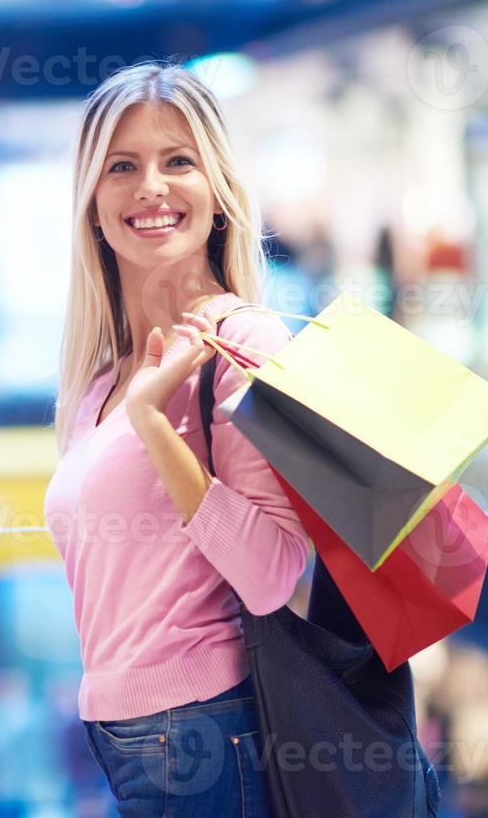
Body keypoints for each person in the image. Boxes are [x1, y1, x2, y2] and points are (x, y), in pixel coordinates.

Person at [44, 63, 310, 815]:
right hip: (123, 732)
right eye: (121, 166)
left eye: (178, 161)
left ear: (217, 192)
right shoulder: (98, 381)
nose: (151, 188)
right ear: (92, 203)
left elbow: (271, 574)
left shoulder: (243, 342)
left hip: (204, 727)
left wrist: (154, 426)